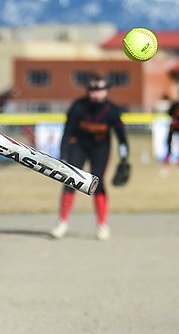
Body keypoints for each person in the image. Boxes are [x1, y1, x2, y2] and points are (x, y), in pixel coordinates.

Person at [49, 75, 129, 241]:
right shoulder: (79, 107)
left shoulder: (111, 111)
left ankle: (102, 225)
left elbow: (122, 137)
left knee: (98, 183)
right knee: (70, 181)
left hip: (100, 148)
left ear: (107, 91)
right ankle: (62, 222)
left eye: (100, 89)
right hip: (79, 146)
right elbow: (67, 133)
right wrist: (63, 156)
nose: (96, 93)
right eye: (93, 89)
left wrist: (124, 158)